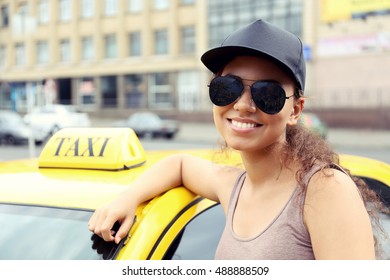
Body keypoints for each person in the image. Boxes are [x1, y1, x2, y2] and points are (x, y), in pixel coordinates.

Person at [89, 20, 387, 259]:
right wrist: (126, 200)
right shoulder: (235, 187)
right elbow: (179, 165)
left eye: (266, 93)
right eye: (227, 88)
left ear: (295, 109)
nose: (243, 105)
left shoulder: (324, 189)